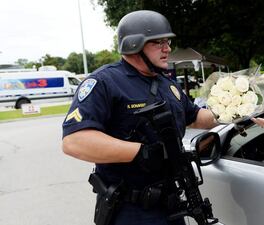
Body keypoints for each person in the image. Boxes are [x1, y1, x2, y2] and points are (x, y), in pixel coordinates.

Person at [62, 10, 216, 225]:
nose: (167, 48)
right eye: (158, 43)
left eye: (167, 42)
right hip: (131, 209)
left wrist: (233, 112)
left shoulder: (167, 83)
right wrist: (142, 153)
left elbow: (195, 117)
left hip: (171, 203)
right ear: (134, 45)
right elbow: (74, 141)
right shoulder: (105, 82)